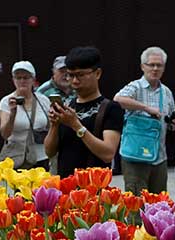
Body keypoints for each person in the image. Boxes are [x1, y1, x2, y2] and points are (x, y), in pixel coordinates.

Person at [45, 46, 123, 177]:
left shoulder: (110, 108)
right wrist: (54, 124)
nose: (75, 80)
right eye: (70, 75)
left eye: (80, 75)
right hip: (66, 186)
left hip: (94, 187)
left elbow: (108, 154)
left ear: (97, 73)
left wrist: (76, 125)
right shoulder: (67, 106)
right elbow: (49, 151)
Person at [114, 46, 175, 194]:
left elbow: (172, 116)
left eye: (159, 65)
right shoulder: (135, 86)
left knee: (158, 204)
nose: (155, 69)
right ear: (143, 66)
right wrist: (146, 108)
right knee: (136, 204)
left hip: (159, 157)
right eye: (151, 65)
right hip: (135, 156)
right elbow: (118, 99)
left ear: (164, 68)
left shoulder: (166, 91)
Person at [0, 61, 51, 169]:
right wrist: (13, 114)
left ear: (33, 79)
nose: (22, 81)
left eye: (26, 77)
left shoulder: (43, 100)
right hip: (17, 158)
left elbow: (51, 127)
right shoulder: (6, 102)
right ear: (13, 80)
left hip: (42, 157)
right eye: (18, 78)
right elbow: (4, 134)